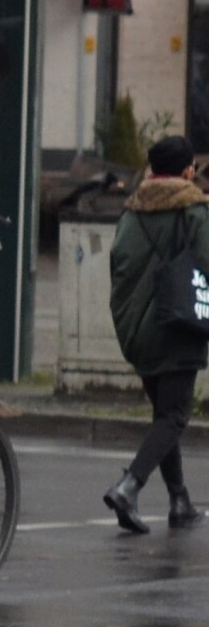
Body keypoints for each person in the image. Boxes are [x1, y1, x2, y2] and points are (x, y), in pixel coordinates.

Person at [102, 134, 208, 533]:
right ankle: (129, 485)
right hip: (178, 324)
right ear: (186, 171)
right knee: (175, 416)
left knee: (165, 414)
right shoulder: (193, 210)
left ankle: (179, 500)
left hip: (135, 330)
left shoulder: (131, 211)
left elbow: (119, 267)